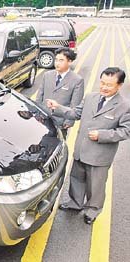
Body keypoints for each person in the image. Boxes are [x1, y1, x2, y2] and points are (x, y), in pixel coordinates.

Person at [47, 67, 130, 225]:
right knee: (77, 178)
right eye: (102, 83)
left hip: (100, 155)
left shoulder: (125, 106)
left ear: (119, 86)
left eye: (109, 85)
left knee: (96, 186)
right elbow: (75, 113)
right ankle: (75, 203)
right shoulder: (91, 97)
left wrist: (102, 135)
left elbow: (126, 131)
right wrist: (57, 108)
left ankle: (92, 210)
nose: (104, 87)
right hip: (81, 149)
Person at [36, 47, 84, 137]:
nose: (57, 63)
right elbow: (39, 96)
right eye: (56, 60)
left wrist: (69, 121)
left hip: (60, 122)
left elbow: (75, 104)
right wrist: (37, 113)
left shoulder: (77, 80)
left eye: (61, 60)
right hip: (43, 118)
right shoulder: (47, 75)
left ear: (69, 61)